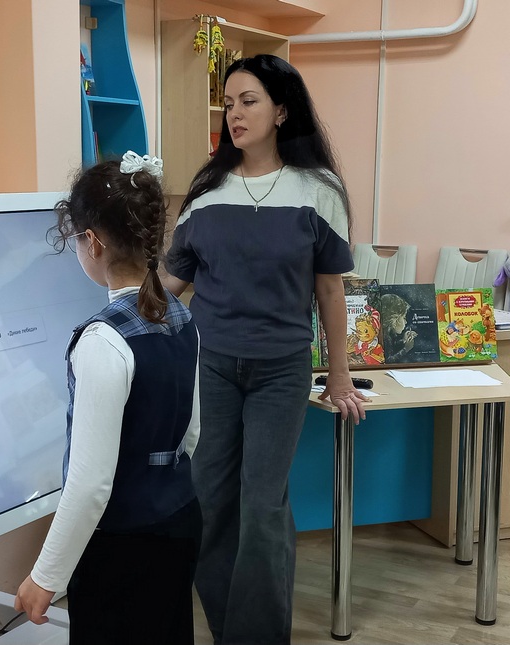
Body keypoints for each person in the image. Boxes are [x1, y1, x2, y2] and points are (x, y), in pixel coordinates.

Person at [160, 54, 369, 645]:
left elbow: (330, 291)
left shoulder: (319, 190)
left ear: (281, 111)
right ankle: (228, 629)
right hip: (211, 366)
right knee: (210, 499)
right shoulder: (207, 191)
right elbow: (171, 284)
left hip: (281, 371)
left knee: (262, 506)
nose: (234, 114)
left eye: (248, 101)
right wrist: (117, 308)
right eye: (228, 104)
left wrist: (339, 376)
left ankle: (257, 636)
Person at [14, 151, 203, 645]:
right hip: (180, 518)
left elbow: (91, 484)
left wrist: (45, 577)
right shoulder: (182, 317)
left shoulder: (103, 341)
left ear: (93, 242)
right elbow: (191, 433)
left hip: (123, 544)